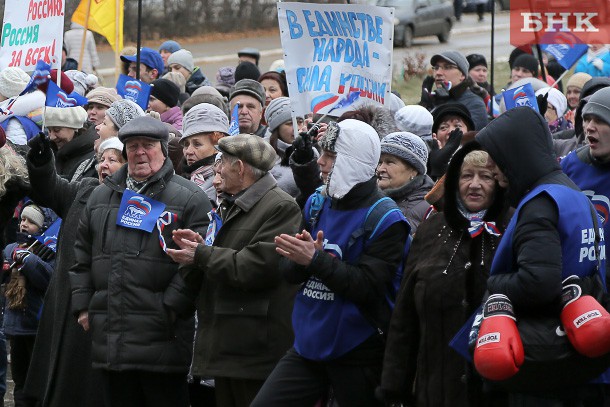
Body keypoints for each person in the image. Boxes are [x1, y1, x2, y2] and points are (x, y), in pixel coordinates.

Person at [250, 119, 410, 407]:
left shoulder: (387, 219)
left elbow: (368, 286)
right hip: (308, 345)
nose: (320, 163)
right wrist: (302, 261)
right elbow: (288, 272)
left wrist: (315, 259)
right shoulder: (316, 204)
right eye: (321, 153)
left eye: (331, 156)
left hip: (358, 351)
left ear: (354, 161)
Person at [69, 116, 211, 407]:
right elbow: (81, 255)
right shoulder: (100, 196)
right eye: (132, 147)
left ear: (162, 149)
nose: (140, 152)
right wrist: (83, 306)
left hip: (163, 338)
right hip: (111, 338)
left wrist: (168, 308)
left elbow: (197, 264)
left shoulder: (190, 198)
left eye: (148, 145)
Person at [476, 106, 607, 405]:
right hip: (579, 353)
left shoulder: (540, 204)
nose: (492, 168)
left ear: (515, 154)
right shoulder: (572, 193)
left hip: (544, 364)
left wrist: (495, 284)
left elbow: (539, 283)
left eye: (495, 158)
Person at [165, 134, 302, 407]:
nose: (217, 170)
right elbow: (226, 254)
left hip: (254, 349)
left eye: (223, 163)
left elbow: (257, 267)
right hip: (230, 344)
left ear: (240, 168)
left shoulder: (280, 207)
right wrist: (198, 249)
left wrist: (202, 254)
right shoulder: (233, 202)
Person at [380, 146, 508, 407]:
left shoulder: (513, 228)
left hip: (496, 391)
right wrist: (394, 389)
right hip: (436, 389)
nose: (474, 185)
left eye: (485, 176)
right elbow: (404, 319)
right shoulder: (431, 229)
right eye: (466, 176)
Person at [22, 123, 138, 407]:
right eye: (102, 160)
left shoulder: (136, 203)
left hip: (96, 312)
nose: (105, 166)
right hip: (62, 302)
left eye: (113, 160)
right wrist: (40, 159)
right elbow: (49, 185)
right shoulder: (83, 189)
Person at [2, 202, 56, 407]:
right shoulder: (10, 248)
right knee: (20, 382)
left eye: (31, 222)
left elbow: (48, 280)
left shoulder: (47, 250)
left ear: (41, 227)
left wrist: (30, 260)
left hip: (36, 328)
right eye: (22, 220)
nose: (23, 224)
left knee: (39, 384)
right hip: (15, 326)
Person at [561, 87, 610, 280]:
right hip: (577, 281)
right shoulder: (571, 164)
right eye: (587, 119)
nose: (589, 127)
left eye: (599, 120)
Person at [377, 132, 434, 233]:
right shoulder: (371, 199)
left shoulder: (429, 208)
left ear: (413, 170)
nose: (381, 169)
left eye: (390, 162)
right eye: (380, 162)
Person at [421, 51, 488, 131]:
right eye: (436, 68)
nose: (438, 73)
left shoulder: (475, 104)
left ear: (462, 75)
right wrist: (424, 106)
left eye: (447, 67)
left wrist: (442, 108)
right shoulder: (435, 99)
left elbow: (470, 137)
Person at [180, 103, 229, 203]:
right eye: (186, 144)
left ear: (218, 145)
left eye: (197, 144)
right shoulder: (178, 179)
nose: (188, 151)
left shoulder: (229, 183)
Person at [44, 106, 93, 180]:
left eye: (57, 130)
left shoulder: (92, 157)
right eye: (49, 130)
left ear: (75, 128)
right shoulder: (48, 150)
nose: (51, 137)